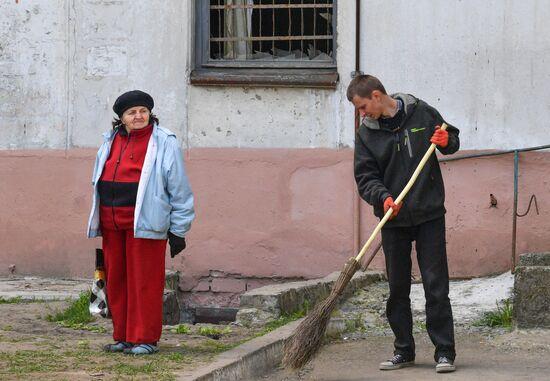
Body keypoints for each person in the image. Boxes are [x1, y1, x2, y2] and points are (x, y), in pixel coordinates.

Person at [347, 75, 459, 373]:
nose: (362, 114)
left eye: (362, 107)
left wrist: (447, 142)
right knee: (397, 288)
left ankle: (444, 352)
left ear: (375, 95)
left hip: (429, 213)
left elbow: (450, 137)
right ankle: (403, 351)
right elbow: (365, 177)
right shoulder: (366, 134)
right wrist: (382, 198)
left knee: (436, 286)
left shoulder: (420, 112)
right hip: (393, 219)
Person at [86, 90, 195, 355]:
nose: (138, 116)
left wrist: (178, 229)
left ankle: (144, 338)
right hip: (113, 224)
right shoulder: (109, 140)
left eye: (143, 111)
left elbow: (179, 188)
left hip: (145, 224)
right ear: (121, 118)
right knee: (117, 281)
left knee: (144, 283)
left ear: (150, 114)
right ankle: (123, 335)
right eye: (132, 113)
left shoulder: (164, 141)